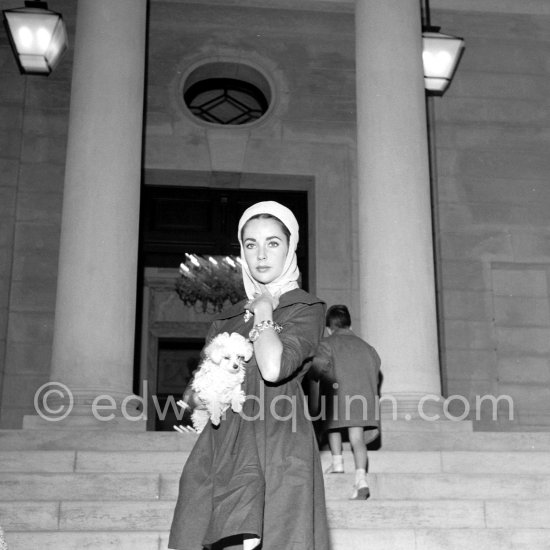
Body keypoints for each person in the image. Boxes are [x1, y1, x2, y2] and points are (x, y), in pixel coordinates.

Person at [168, 201, 329, 550]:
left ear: (290, 248)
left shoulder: (305, 307)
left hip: (278, 441)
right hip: (224, 445)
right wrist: (205, 388)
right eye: (251, 244)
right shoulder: (226, 319)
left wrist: (265, 311)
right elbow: (193, 396)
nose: (261, 254)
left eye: (273, 243)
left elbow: (273, 369)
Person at [311, 305, 381, 501]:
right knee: (356, 438)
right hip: (361, 397)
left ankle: (337, 462)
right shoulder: (367, 346)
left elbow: (316, 369)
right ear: (349, 323)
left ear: (328, 327)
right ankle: (361, 480)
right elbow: (376, 368)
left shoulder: (327, 343)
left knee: (331, 425)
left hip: (337, 395)